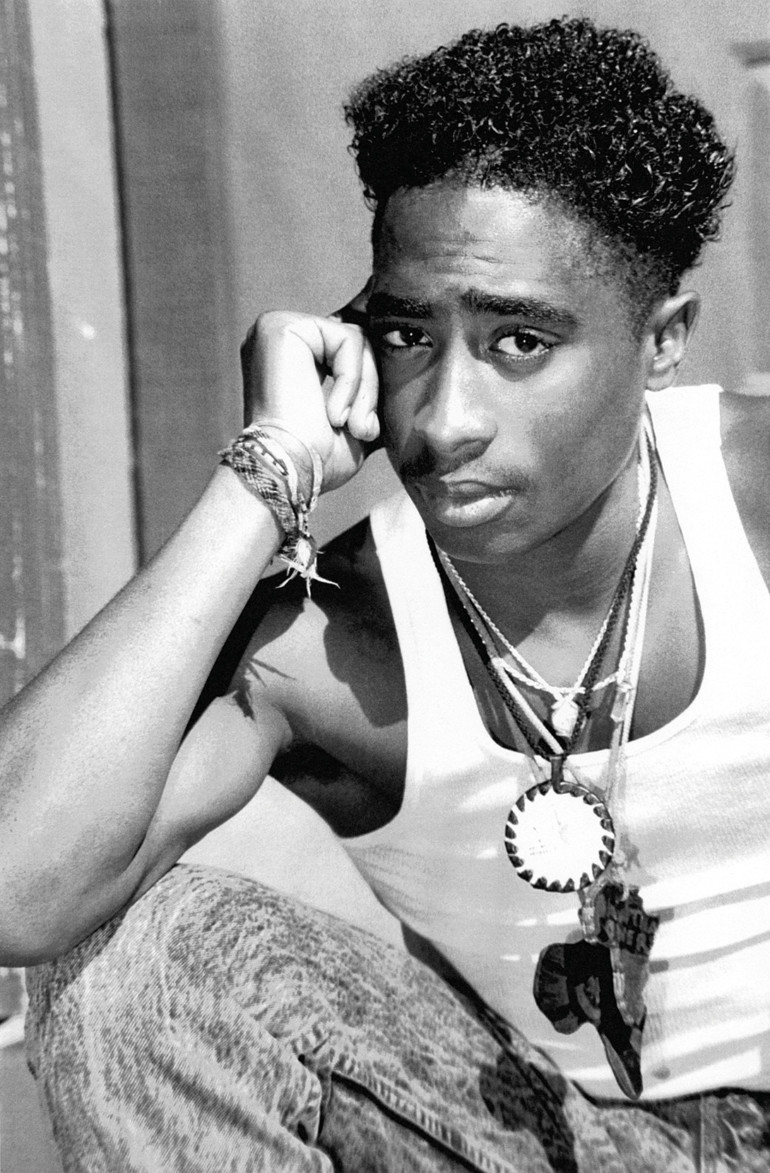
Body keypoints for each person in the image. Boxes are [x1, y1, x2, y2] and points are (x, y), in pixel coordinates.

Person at [2, 14, 769, 1172]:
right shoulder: (332, 636)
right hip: (542, 1138)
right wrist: (265, 474)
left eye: (517, 342)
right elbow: (19, 890)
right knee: (136, 961)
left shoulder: (751, 508)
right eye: (408, 334)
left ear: (661, 341)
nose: (444, 419)